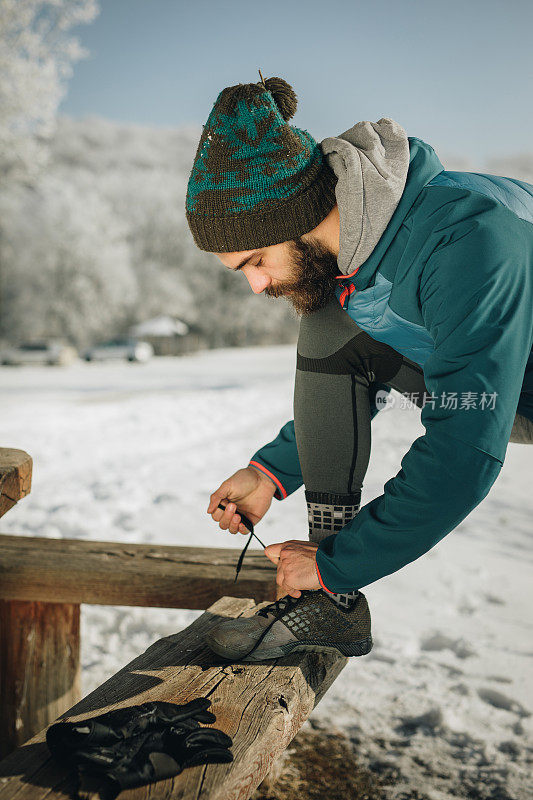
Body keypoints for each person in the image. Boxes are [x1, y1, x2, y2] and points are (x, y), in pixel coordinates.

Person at [185, 75, 533, 662]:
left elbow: (464, 452)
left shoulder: (470, 242)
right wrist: (269, 473)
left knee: (330, 323)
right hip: (512, 378)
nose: (256, 284)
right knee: (327, 323)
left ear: (296, 218)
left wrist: (340, 562)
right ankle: (331, 608)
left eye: (256, 261)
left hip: (511, 393)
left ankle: (329, 583)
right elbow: (348, 362)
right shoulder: (360, 252)